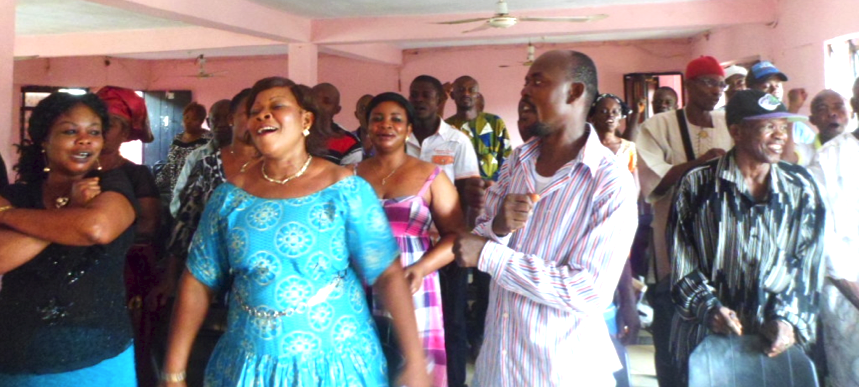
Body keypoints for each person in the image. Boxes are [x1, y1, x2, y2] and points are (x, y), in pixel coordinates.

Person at [162, 77, 430, 387]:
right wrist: (173, 371)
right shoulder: (229, 197)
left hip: (336, 364)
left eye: (277, 106)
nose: (264, 115)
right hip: (249, 367)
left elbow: (387, 273)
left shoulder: (345, 189)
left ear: (306, 120)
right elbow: (198, 279)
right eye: (255, 111)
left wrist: (414, 358)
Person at [454, 50, 638, 386]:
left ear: (574, 92)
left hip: (563, 371)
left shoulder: (609, 181)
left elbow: (589, 290)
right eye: (526, 82)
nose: (524, 91)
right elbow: (480, 237)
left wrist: (491, 255)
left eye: (537, 82)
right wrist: (498, 227)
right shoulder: (517, 161)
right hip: (499, 365)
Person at [669, 89, 825, 384]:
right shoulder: (697, 186)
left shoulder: (801, 187)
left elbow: (807, 265)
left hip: (777, 344)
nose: (780, 135)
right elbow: (681, 262)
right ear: (737, 132)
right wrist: (708, 308)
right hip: (706, 340)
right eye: (768, 127)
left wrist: (787, 318)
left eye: (782, 126)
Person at [0, 92, 138, 386]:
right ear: (43, 140)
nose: (85, 140)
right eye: (70, 131)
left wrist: (7, 215)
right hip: (18, 358)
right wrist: (68, 211)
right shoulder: (18, 195)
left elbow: (94, 228)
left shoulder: (111, 187)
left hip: (97, 357)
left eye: (94, 132)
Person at [634, 55, 733, 387]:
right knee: (673, 340)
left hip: (723, 252)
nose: (716, 90)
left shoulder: (731, 122)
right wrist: (699, 164)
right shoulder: (657, 127)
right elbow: (654, 184)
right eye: (708, 82)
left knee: (721, 341)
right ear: (688, 86)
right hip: (673, 250)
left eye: (721, 84)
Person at [357, 92, 466, 387]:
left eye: (396, 119)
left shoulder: (430, 175)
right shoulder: (349, 176)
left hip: (413, 283)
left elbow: (457, 236)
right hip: (359, 283)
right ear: (367, 127)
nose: (385, 125)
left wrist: (422, 268)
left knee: (411, 365)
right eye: (377, 119)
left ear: (408, 129)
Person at [408, 74, 480, 387]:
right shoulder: (401, 137)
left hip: (446, 246)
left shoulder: (456, 141)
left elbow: (468, 194)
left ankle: (454, 381)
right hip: (408, 246)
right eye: (415, 95)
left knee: (451, 320)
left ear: (440, 101)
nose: (420, 100)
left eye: (427, 95)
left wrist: (460, 242)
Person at [95, 85, 162, 386]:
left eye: (110, 126)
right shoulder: (71, 170)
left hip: (127, 271)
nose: (101, 132)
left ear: (124, 134)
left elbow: (148, 226)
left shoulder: (136, 175)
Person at [807, 77, 859, 387]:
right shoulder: (829, 157)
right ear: (856, 105)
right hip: (846, 295)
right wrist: (852, 289)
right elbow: (818, 231)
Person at [588, 93, 642, 344]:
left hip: (620, 215)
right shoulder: (587, 147)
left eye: (614, 111)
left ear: (621, 116)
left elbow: (635, 184)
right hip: (591, 215)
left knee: (621, 262)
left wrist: (627, 209)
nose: (610, 116)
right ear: (593, 115)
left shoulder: (628, 147)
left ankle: (623, 309)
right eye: (604, 111)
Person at [169, 99, 232, 216]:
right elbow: (179, 194)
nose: (222, 124)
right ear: (208, 123)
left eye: (228, 118)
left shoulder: (250, 157)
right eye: (216, 119)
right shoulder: (197, 156)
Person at [746, 60, 815, 161]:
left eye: (778, 84)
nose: (774, 89)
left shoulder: (799, 129)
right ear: (751, 92)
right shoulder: (746, 125)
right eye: (766, 86)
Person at [155, 101, 211, 201]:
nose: (188, 121)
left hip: (199, 195)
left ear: (201, 121)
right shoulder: (177, 139)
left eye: (194, 119)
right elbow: (170, 166)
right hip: (176, 194)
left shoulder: (207, 140)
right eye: (186, 117)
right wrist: (155, 185)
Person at [312, 82, 363, 166]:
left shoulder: (349, 143)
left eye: (326, 102)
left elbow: (348, 177)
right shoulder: (294, 135)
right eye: (314, 100)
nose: (318, 105)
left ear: (337, 109)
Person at [795, 89, 850, 166]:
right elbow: (787, 158)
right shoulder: (805, 151)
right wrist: (793, 109)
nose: (831, 113)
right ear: (812, 120)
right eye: (822, 109)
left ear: (851, 114)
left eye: (838, 107)